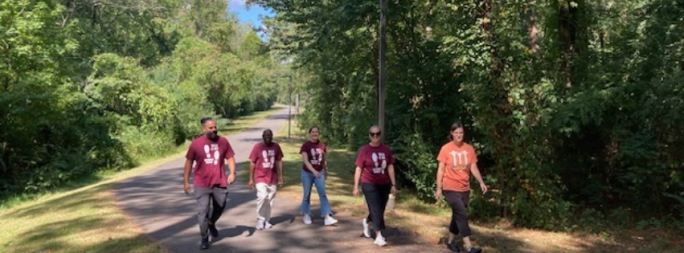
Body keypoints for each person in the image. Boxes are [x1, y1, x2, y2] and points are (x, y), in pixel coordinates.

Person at [183, 117, 236, 250]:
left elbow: (230, 157)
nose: (214, 130)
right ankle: (204, 237)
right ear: (203, 129)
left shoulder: (223, 141)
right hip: (202, 183)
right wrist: (186, 181)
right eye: (211, 128)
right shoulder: (196, 144)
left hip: (219, 181)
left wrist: (232, 172)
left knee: (221, 205)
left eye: (215, 127)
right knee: (203, 211)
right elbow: (189, 162)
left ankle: (211, 223)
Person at [435, 122, 487, 253]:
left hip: (464, 188)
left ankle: (450, 241)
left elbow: (473, 167)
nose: (459, 135)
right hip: (450, 187)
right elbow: (440, 170)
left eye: (461, 133)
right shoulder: (446, 148)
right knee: (462, 214)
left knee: (457, 215)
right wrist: (439, 188)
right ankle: (469, 246)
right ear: (451, 133)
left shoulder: (469, 149)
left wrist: (481, 182)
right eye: (456, 133)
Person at [353, 125, 397, 247]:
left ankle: (367, 222)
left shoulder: (386, 149)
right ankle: (378, 235)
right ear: (369, 136)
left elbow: (390, 166)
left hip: (384, 183)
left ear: (380, 135)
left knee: (380, 208)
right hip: (369, 183)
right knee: (376, 208)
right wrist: (356, 186)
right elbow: (358, 168)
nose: (375, 136)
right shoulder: (365, 150)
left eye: (377, 134)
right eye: (373, 134)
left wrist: (393, 184)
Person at [299, 126, 338, 225]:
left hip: (319, 172)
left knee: (323, 194)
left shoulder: (322, 145)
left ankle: (327, 216)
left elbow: (324, 160)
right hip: (307, 173)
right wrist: (313, 171)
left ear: (319, 133)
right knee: (307, 194)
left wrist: (325, 171)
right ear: (310, 133)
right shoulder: (305, 146)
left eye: (316, 132)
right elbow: (306, 161)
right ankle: (306, 214)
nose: (315, 134)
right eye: (313, 132)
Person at [248, 129, 284, 230]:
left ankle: (267, 220)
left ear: (272, 136)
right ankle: (260, 219)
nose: (268, 137)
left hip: (272, 177)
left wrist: (281, 176)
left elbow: (279, 161)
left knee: (270, 199)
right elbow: (252, 162)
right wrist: (251, 179)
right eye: (266, 135)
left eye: (270, 135)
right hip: (260, 176)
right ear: (263, 136)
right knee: (262, 197)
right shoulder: (257, 147)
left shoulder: (276, 146)